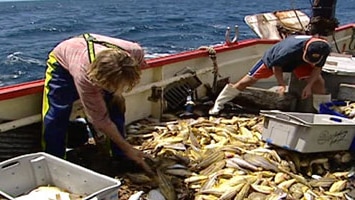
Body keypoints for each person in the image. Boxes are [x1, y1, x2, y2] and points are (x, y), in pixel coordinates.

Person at [42, 33, 152, 174]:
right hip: (63, 61)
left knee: (115, 108)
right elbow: (100, 120)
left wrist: (117, 94)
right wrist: (129, 148)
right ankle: (54, 161)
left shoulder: (135, 52)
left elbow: (135, 70)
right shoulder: (85, 78)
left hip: (97, 56)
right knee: (57, 115)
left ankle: (120, 157)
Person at [209, 35, 332, 115]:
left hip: (300, 63)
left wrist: (309, 85)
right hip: (273, 61)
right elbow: (276, 67)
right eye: (308, 58)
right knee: (245, 82)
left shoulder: (323, 48)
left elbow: (317, 68)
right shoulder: (288, 51)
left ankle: (322, 110)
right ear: (305, 50)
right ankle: (219, 104)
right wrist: (281, 84)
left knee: (319, 82)